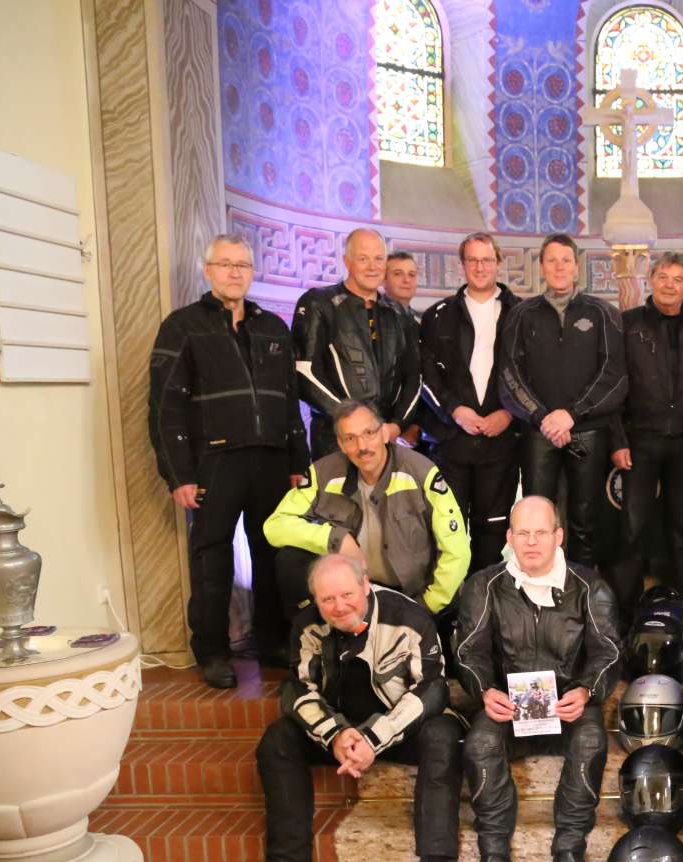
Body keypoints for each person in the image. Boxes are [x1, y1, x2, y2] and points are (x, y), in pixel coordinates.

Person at [237, 554, 463, 862]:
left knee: (443, 737)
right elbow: (298, 690)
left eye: (347, 595)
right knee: (278, 740)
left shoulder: (409, 618)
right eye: (327, 599)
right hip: (341, 730)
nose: (339, 606)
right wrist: (337, 736)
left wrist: (373, 739)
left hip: (401, 726)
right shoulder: (307, 625)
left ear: (366, 585)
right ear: (316, 600)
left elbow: (431, 691)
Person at [148, 233, 310, 688]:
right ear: (208, 270)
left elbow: (289, 402)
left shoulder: (272, 327)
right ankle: (213, 651)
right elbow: (165, 408)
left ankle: (273, 639)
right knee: (211, 559)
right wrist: (177, 474)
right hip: (213, 461)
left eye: (242, 265)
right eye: (225, 264)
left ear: (252, 272)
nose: (235, 272)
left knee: (273, 553)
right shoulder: (182, 327)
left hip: (272, 461)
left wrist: (299, 460)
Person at [454, 496, 622, 862]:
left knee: (591, 740)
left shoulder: (590, 588)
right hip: (509, 706)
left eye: (541, 532)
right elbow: (467, 653)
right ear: (509, 538)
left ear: (558, 536)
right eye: (522, 533)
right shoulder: (484, 586)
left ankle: (569, 854)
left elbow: (610, 653)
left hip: (567, 703)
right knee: (478, 744)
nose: (531, 542)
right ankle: (494, 860)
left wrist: (585, 691)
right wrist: (483, 691)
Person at [263, 400, 469, 626]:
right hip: (352, 595)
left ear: (384, 433)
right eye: (350, 438)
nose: (362, 446)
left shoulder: (422, 472)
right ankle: (315, 638)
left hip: (410, 596)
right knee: (290, 560)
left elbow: (456, 549)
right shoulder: (323, 473)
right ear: (341, 444)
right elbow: (274, 526)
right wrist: (335, 539)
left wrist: (428, 605)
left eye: (369, 433)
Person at [499, 233, 627, 565]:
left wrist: (572, 415)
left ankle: (582, 591)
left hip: (588, 432)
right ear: (541, 266)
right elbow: (509, 376)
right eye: (552, 260)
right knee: (536, 520)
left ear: (576, 266)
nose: (559, 267)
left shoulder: (602, 313)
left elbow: (614, 376)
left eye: (566, 260)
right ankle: (538, 590)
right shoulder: (521, 314)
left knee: (585, 521)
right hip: (537, 433)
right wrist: (544, 417)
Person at [608, 251, 683, 611]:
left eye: (677, 280)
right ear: (650, 280)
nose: (669, 285)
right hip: (640, 440)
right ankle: (625, 613)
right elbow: (612, 387)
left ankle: (679, 606)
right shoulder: (627, 325)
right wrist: (617, 439)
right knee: (632, 529)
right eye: (663, 277)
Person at [419, 232, 521, 572]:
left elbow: (533, 374)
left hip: (501, 443)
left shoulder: (521, 314)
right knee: (447, 537)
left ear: (498, 263)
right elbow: (425, 375)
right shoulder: (438, 316)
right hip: (451, 443)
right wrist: (454, 411)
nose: (480, 267)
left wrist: (509, 413)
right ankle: (449, 617)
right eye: (473, 260)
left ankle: (484, 609)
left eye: (487, 259)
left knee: (491, 534)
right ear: (462, 265)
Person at [292, 228, 422, 457]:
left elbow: (414, 377)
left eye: (378, 259)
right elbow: (305, 372)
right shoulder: (319, 303)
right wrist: (353, 423)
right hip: (335, 440)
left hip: (385, 441)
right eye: (363, 259)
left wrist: (397, 426)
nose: (372, 267)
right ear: (347, 262)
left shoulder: (400, 314)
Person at [383, 251, 420, 321]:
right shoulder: (372, 315)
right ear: (384, 279)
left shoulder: (423, 321)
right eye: (398, 274)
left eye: (412, 275)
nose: (407, 280)